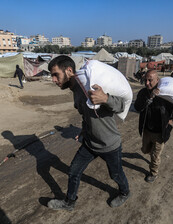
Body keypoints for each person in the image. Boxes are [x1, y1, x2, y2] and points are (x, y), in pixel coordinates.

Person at [47, 55, 130, 211]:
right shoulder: (75, 90)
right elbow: (86, 115)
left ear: (69, 70)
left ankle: (125, 192)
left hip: (109, 144)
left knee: (116, 175)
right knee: (73, 171)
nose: (53, 79)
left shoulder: (90, 83)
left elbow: (120, 106)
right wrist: (84, 130)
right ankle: (69, 202)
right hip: (90, 143)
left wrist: (105, 98)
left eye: (55, 74)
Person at [134, 70, 173, 183]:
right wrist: (149, 97)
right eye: (145, 80)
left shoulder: (166, 94)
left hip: (160, 132)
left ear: (157, 80)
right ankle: (152, 154)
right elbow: (137, 107)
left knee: (155, 156)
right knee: (145, 150)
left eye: (150, 80)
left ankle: (153, 173)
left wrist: (171, 119)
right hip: (146, 129)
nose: (147, 83)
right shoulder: (143, 93)